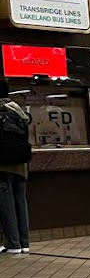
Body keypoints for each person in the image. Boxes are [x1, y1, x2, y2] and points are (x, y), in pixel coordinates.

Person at [0, 80, 32, 255]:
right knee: (21, 202)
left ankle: (13, 244)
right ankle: (24, 242)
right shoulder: (18, 111)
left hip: (3, 166)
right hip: (21, 164)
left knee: (7, 206)